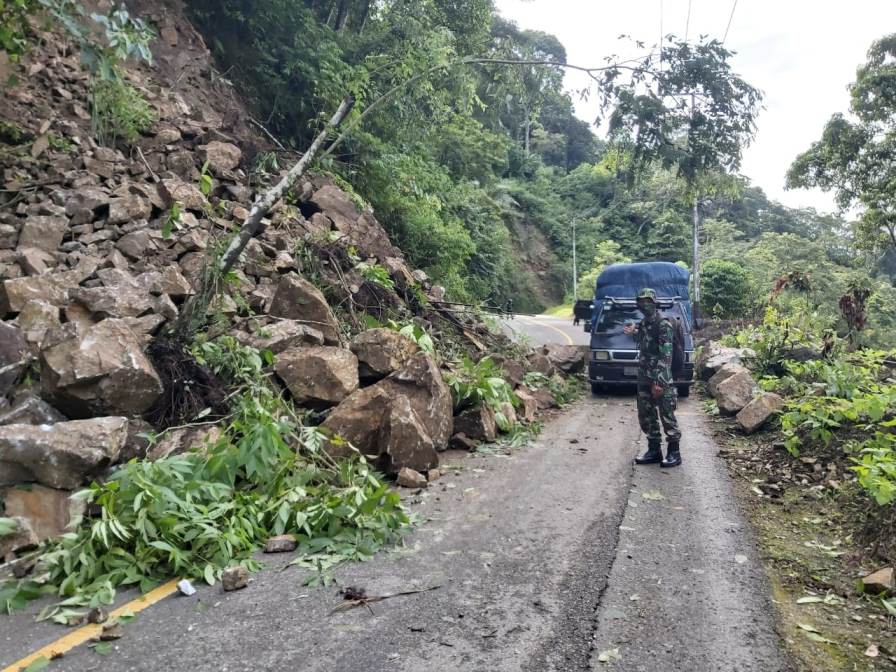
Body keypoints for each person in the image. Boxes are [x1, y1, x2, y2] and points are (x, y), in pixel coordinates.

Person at [622, 288, 682, 468]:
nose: (644, 304)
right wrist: (634, 331)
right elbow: (643, 340)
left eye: (648, 300)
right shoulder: (644, 323)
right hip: (644, 378)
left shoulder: (663, 324)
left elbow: (666, 356)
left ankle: (674, 452)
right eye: (641, 301)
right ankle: (654, 450)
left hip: (660, 379)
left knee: (667, 415)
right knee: (646, 415)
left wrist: (660, 382)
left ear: (655, 302)